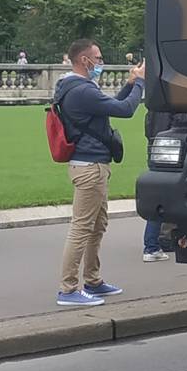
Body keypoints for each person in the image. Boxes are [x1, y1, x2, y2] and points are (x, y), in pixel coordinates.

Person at [55, 38, 145, 306]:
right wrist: (140, 83)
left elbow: (110, 106)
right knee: (82, 228)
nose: (100, 63)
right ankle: (68, 289)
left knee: (97, 225)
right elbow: (125, 110)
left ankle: (93, 280)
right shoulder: (82, 90)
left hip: (91, 164)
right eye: (98, 58)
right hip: (90, 167)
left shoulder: (75, 88)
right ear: (84, 60)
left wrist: (130, 83)